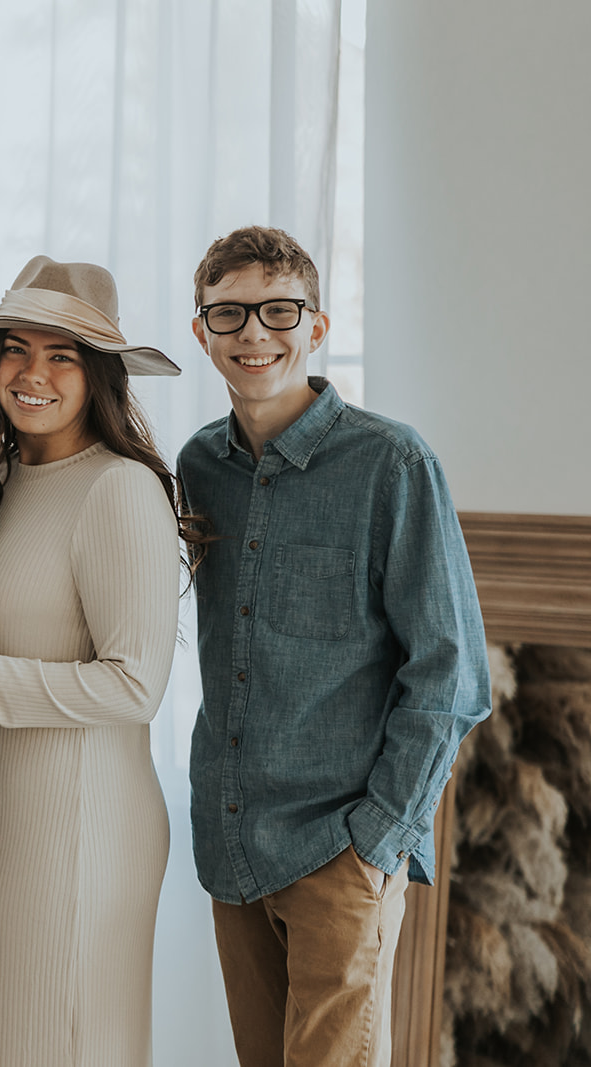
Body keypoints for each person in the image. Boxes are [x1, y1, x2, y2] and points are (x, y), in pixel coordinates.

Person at [178, 225, 489, 1065]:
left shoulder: (391, 463)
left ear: (316, 328)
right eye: (229, 313)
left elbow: (453, 674)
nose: (253, 333)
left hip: (337, 849)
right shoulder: (197, 467)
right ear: (199, 330)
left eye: (280, 311)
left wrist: (378, 841)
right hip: (233, 841)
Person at [0, 257, 189, 1065]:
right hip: (11, 830)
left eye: (62, 355)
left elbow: (135, 685)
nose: (32, 373)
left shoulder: (119, 491)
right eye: (16, 348)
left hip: (87, 832)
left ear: (100, 374)